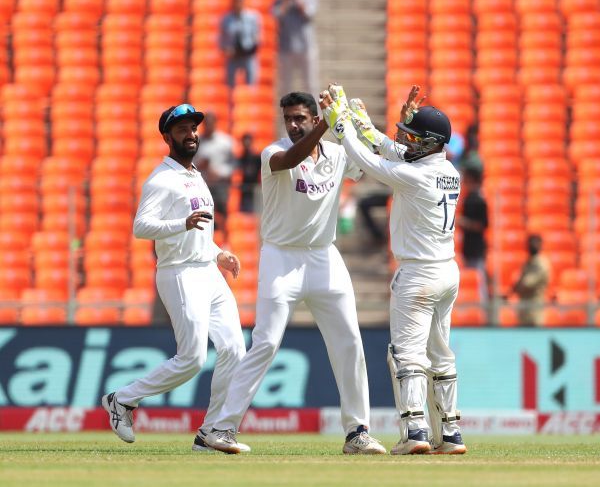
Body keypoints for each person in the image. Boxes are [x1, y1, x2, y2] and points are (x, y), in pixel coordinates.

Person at [203, 92, 385, 455]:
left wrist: (361, 128)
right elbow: (294, 157)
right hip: (281, 258)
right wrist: (324, 126)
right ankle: (219, 428)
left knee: (349, 341)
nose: (293, 125)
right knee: (267, 342)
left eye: (301, 117)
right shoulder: (274, 153)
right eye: (288, 118)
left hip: (324, 257)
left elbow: (369, 166)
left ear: (313, 115)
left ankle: (357, 432)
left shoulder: (335, 153)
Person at [321, 84, 467, 455]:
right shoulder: (447, 169)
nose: (408, 142)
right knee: (441, 353)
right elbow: (395, 149)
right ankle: (450, 433)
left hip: (418, 275)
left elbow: (369, 160)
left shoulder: (414, 176)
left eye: (416, 137)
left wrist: (342, 126)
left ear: (431, 143)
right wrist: (367, 124)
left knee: (406, 354)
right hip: (447, 272)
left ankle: (415, 430)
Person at [101, 104, 247, 453]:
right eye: (182, 129)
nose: (191, 134)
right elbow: (141, 227)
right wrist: (180, 224)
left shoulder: (195, 175)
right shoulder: (161, 179)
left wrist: (218, 253)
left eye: (194, 127)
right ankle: (122, 399)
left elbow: (198, 230)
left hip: (207, 271)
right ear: (167, 137)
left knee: (235, 350)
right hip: (179, 273)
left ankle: (211, 433)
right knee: (193, 358)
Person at [272, 0, 318, 98]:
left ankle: (315, 112)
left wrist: (298, 0)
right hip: (286, 48)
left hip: (306, 46)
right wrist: (287, 1)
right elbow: (276, 14)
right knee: (286, 85)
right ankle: (286, 112)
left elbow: (309, 13)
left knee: (310, 84)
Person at [194, 112, 235, 224]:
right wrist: (200, 165)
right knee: (203, 215)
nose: (208, 126)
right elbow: (190, 164)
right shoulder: (196, 142)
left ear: (215, 123)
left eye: (211, 123)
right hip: (202, 185)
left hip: (220, 185)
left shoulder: (226, 142)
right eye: (206, 124)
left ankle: (225, 238)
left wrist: (220, 173)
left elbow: (234, 165)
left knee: (222, 215)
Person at [457, 166, 489, 302]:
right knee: (470, 281)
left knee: (478, 280)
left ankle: (483, 309)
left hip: (477, 248)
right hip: (468, 247)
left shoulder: (479, 200)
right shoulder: (468, 198)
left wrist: (464, 223)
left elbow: (482, 225)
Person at [220, 0, 262, 87]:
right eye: (236, 1)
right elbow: (221, 39)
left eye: (240, 0)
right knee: (230, 85)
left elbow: (258, 36)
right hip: (233, 56)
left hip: (248, 54)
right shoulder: (226, 19)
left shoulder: (253, 17)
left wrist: (254, 45)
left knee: (251, 84)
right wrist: (226, 49)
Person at [512, 234, 550, 326]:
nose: (532, 246)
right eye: (531, 243)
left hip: (535, 308)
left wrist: (517, 287)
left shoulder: (541, 264)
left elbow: (527, 283)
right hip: (524, 308)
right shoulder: (528, 262)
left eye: (535, 243)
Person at [237, 132, 261, 214]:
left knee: (254, 211)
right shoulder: (240, 157)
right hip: (244, 188)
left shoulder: (257, 157)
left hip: (254, 187)